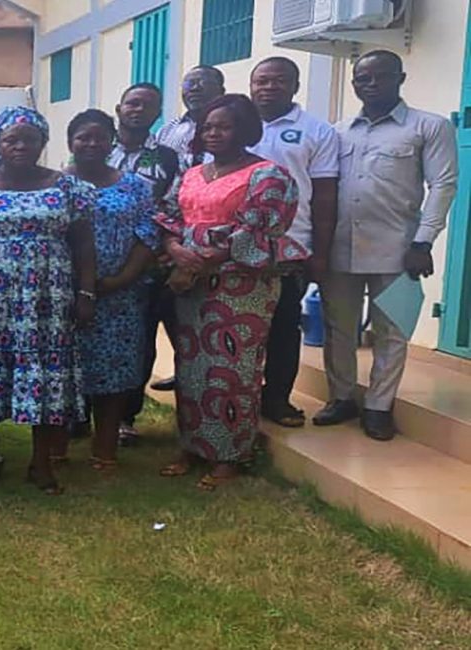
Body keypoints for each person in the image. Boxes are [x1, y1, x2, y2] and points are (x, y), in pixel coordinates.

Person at [0, 105, 97, 495]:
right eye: (11, 140)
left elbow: (84, 246)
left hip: (47, 301)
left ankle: (41, 463)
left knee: (45, 374)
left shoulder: (67, 188)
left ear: (43, 143)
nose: (20, 146)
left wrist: (86, 292)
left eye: (30, 139)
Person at [157, 94, 304, 490]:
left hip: (240, 286)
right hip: (190, 283)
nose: (213, 133)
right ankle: (193, 445)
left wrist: (205, 260)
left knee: (232, 368)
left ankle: (230, 454)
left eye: (223, 127)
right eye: (207, 127)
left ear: (245, 130)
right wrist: (175, 249)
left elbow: (260, 229)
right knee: (192, 367)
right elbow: (169, 216)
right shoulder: (192, 173)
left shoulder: (268, 175)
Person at [316, 50, 459, 440]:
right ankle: (341, 398)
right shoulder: (338, 131)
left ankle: (379, 406)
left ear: (401, 78)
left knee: (392, 330)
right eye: (363, 78)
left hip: (398, 249)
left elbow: (443, 186)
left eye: (381, 76)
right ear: (354, 84)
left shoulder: (428, 126)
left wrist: (423, 242)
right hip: (340, 248)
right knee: (338, 328)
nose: (372, 84)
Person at [61, 109, 159, 470]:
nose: (91, 143)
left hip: (120, 296)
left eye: (99, 137)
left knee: (113, 374)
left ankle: (104, 451)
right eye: (83, 137)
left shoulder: (135, 186)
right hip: (63, 295)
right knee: (62, 371)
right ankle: (55, 450)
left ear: (112, 142)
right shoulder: (54, 185)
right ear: (70, 142)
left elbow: (148, 234)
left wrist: (121, 279)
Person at [248, 57, 341, 430]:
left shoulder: (317, 131)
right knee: (237, 326)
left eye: (279, 81)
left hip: (289, 248)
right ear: (251, 85)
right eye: (262, 81)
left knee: (283, 328)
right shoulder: (233, 124)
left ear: (295, 86)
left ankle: (276, 399)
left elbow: (325, 196)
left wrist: (320, 252)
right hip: (230, 250)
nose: (269, 87)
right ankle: (236, 396)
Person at [110, 82, 183, 443]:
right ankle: (82, 412)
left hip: (149, 263)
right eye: (132, 103)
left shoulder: (167, 158)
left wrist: (155, 247)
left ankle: (125, 416)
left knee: (139, 341)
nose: (138, 110)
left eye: (147, 106)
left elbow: (173, 206)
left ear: (157, 114)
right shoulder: (93, 146)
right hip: (96, 261)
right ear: (119, 108)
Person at [157, 66, 226, 172]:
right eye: (188, 84)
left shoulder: (233, 128)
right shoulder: (167, 130)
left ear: (221, 91)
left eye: (203, 82)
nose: (194, 88)